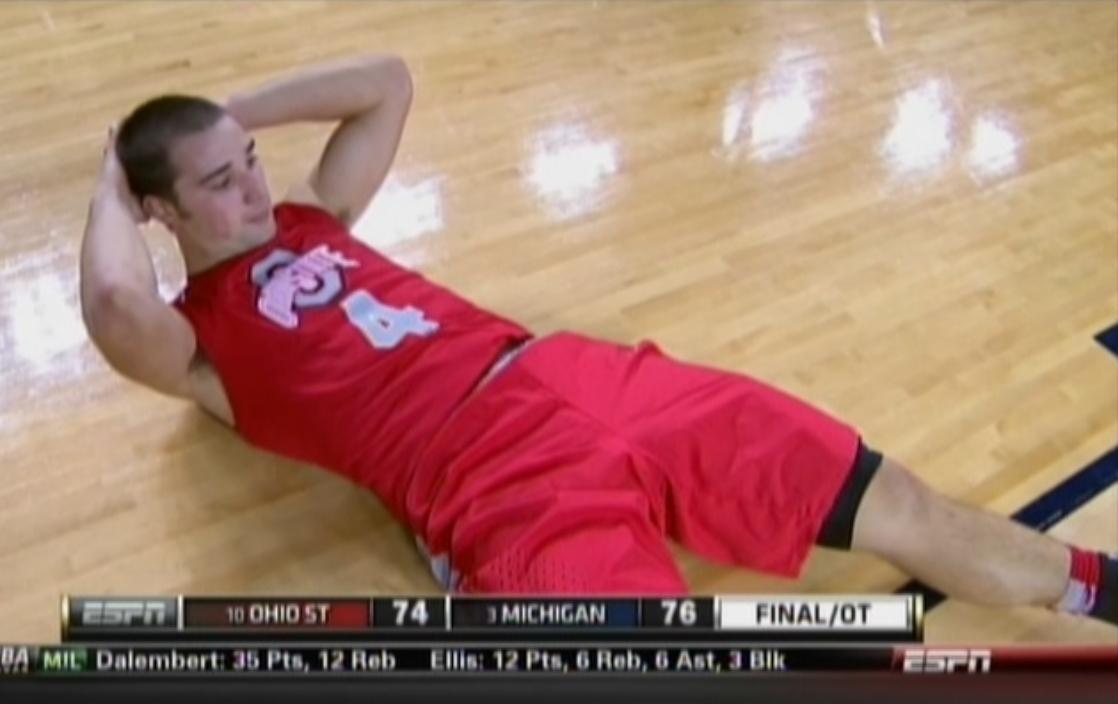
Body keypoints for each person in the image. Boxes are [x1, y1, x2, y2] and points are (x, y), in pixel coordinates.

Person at [78, 54, 1115, 625]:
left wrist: (220, 119)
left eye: (251, 160)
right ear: (160, 212)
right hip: (488, 474)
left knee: (901, 503)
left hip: (580, 375)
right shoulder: (196, 344)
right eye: (219, 182)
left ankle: (1090, 586)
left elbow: (386, 80)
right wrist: (110, 182)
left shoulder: (307, 215)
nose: (255, 186)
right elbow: (116, 308)